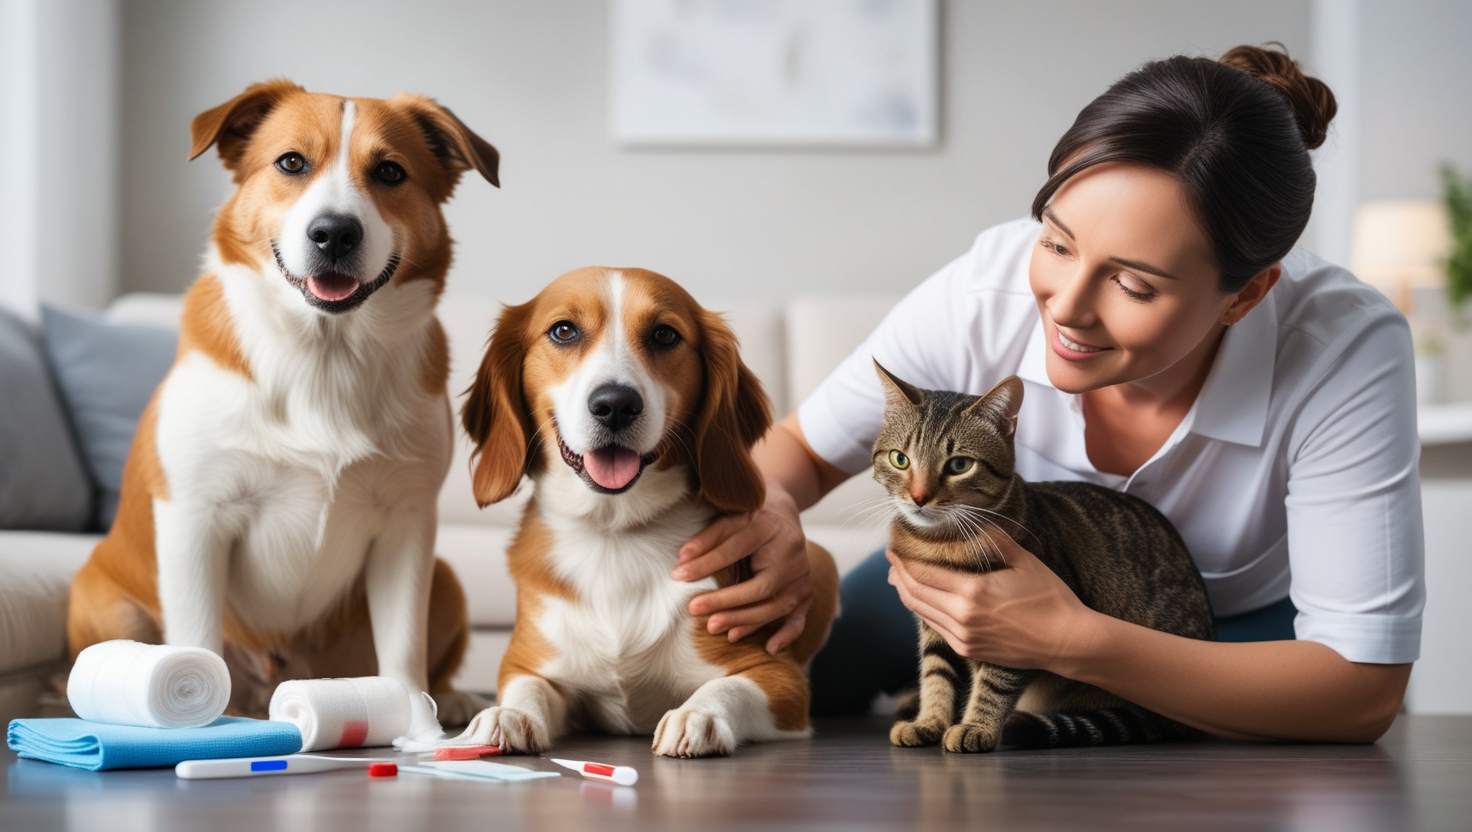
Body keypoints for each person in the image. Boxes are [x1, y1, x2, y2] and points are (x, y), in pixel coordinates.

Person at [671, 44, 1424, 743]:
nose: (1064, 304)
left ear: (1245, 295)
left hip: (1231, 631)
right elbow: (799, 450)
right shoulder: (984, 291)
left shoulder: (1343, 349)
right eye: (1057, 242)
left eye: (1133, 282)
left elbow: (1362, 691)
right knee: (793, 670)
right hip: (975, 555)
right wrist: (767, 509)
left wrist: (1071, 641)